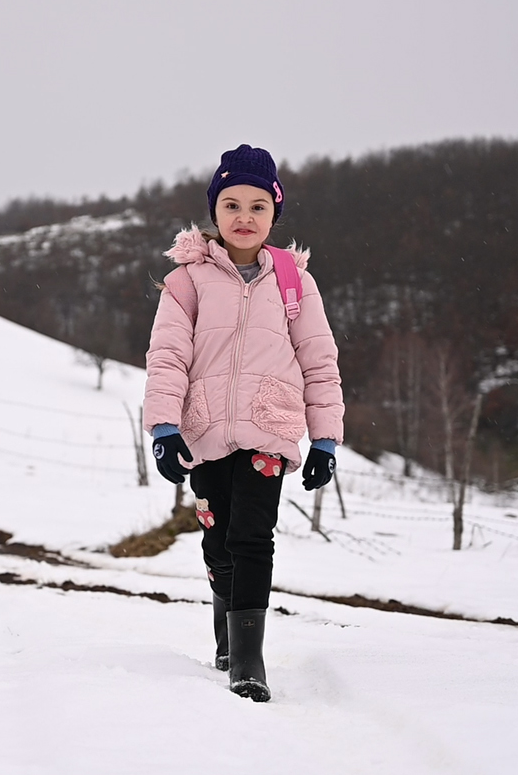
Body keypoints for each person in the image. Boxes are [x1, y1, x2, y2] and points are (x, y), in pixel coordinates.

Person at [142, 144, 344, 702]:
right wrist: (163, 428)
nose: (244, 217)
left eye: (258, 206)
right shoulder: (187, 281)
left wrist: (325, 438)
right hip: (204, 432)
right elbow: (167, 357)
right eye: (231, 204)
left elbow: (319, 362)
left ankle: (248, 661)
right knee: (219, 543)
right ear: (215, 212)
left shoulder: (294, 283)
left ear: (274, 214)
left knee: (253, 537)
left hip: (268, 429)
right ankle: (226, 633)